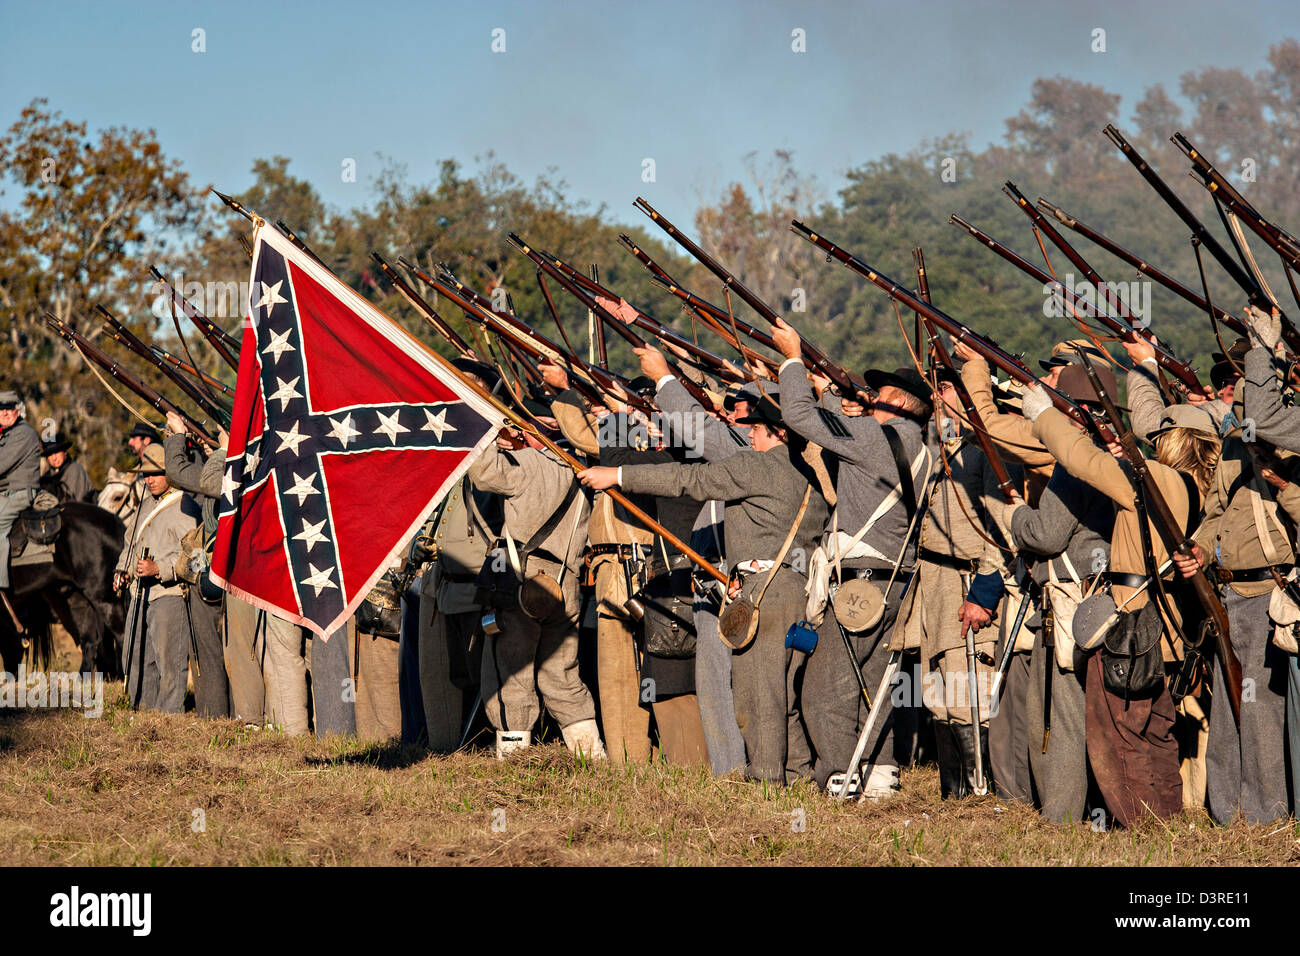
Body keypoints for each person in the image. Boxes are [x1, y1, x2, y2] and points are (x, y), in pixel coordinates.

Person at [580, 395, 830, 784]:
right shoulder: (809, 478)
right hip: (799, 594)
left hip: (762, 594)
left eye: (757, 429)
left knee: (756, 699)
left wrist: (617, 476)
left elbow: (688, 480)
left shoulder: (758, 466)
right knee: (785, 697)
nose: (750, 434)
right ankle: (796, 778)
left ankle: (768, 785)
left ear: (777, 433)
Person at [1022, 364, 1217, 826]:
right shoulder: (1196, 489)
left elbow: (1080, 461)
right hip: (1164, 626)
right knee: (1157, 729)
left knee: (1120, 732)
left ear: (1177, 442)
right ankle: (1165, 821)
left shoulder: (1160, 480)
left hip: (1132, 624)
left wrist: (1043, 415)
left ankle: (1141, 827)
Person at [469, 413, 603, 759]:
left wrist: (487, 430)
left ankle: (515, 763)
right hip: (566, 584)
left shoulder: (529, 463)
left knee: (512, 673)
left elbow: (482, 474)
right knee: (563, 674)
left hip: (523, 584)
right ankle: (590, 757)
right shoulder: (581, 466)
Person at [114, 444, 199, 713]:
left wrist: (158, 568)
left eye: (154, 473)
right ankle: (141, 713)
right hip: (139, 595)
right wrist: (122, 570)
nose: (148, 479)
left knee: (169, 663)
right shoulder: (146, 504)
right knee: (135, 658)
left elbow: (196, 560)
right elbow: (130, 543)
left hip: (169, 596)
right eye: (145, 474)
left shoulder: (186, 506)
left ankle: (168, 720)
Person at [161, 411, 229, 718]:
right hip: (223, 571)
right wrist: (209, 451)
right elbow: (207, 488)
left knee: (216, 651)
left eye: (220, 432)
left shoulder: (232, 465)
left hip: (217, 573)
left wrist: (176, 436)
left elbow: (179, 473)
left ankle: (216, 717)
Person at [0, 391, 42, 594]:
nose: (5, 413)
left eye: (9, 409)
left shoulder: (22, 434)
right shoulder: (7, 434)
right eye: (1, 410)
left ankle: (1, 582)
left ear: (18, 411)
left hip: (19, 493)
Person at [40, 434, 93, 503]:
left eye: (56, 452)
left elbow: (77, 503)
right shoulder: (47, 476)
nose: (54, 458)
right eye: (50, 454)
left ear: (64, 452)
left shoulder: (75, 470)